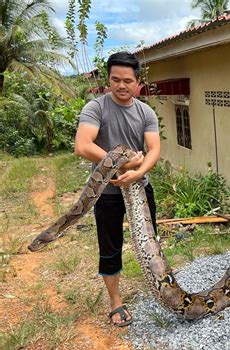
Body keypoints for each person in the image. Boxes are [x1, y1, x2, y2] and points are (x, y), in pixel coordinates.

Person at [74, 51, 160, 327]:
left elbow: (154, 149)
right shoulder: (96, 108)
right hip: (107, 191)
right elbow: (83, 145)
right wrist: (120, 166)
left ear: (138, 83)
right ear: (108, 79)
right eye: (115, 80)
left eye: (127, 81)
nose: (121, 86)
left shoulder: (145, 112)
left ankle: (158, 290)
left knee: (150, 244)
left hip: (140, 187)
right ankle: (116, 302)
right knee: (110, 247)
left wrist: (138, 171)